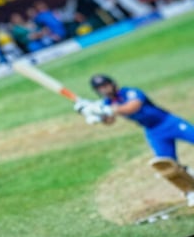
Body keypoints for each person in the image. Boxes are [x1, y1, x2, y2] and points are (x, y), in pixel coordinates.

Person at [76, 74, 194, 204]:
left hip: (169, 122)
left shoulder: (130, 92)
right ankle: (190, 190)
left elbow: (132, 107)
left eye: (105, 85)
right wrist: (92, 113)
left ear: (112, 83)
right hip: (153, 132)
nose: (104, 89)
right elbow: (109, 121)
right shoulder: (107, 103)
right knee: (166, 165)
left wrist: (107, 109)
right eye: (100, 88)